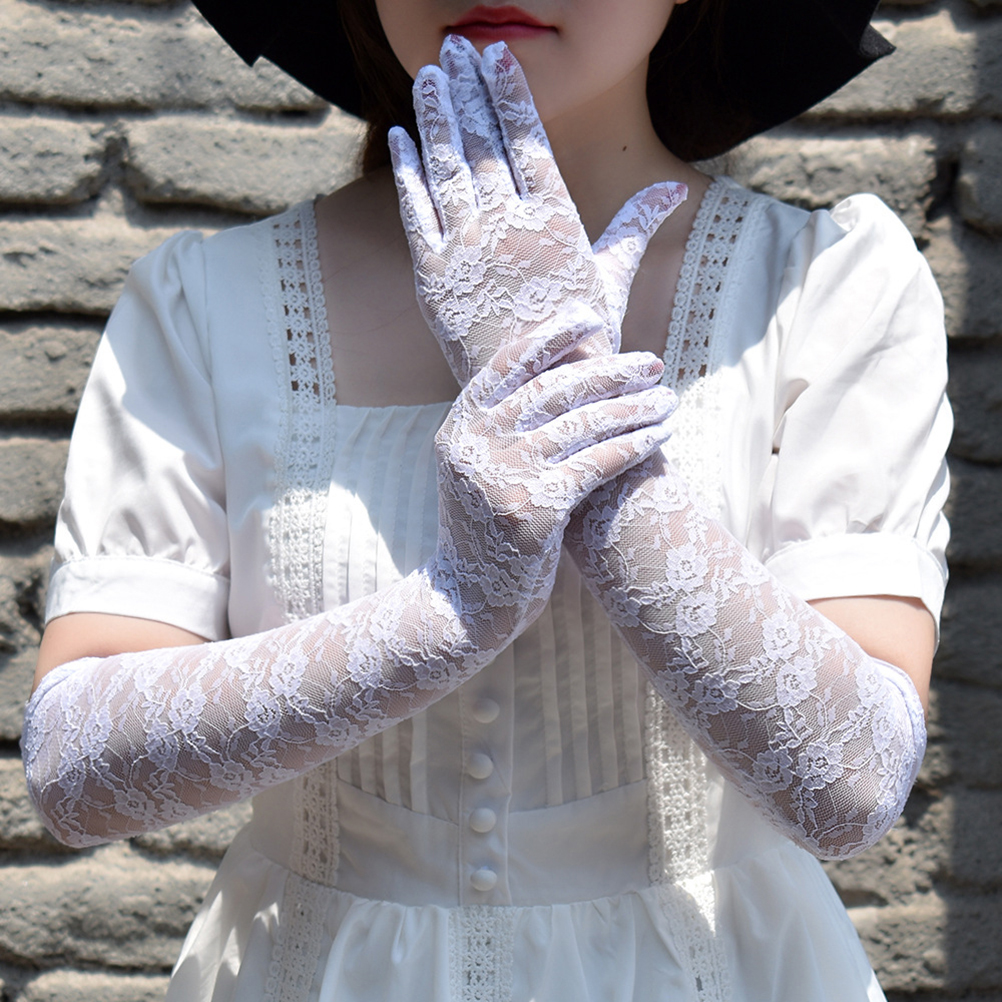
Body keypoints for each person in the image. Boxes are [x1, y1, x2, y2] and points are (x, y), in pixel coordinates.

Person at [21, 1, 951, 1000]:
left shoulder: (825, 284)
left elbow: (852, 783)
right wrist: (448, 610)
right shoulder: (208, 300)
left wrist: (576, 420)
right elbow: (75, 769)